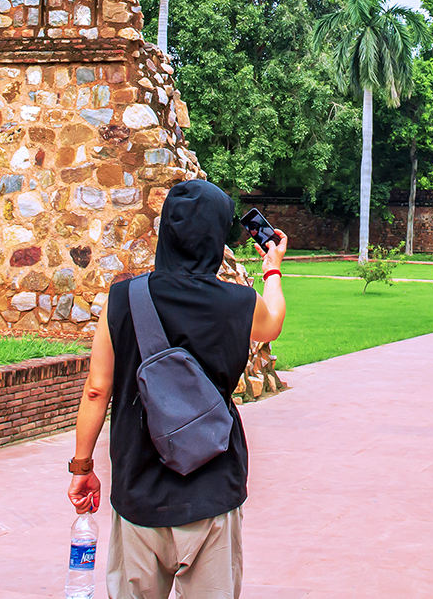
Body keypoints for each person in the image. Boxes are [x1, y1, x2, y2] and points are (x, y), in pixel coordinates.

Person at [68, 179, 288, 599]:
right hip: (212, 487)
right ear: (216, 236)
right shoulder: (237, 303)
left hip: (138, 489)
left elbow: (96, 390)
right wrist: (272, 269)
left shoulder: (122, 299)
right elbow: (273, 322)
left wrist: (82, 468)